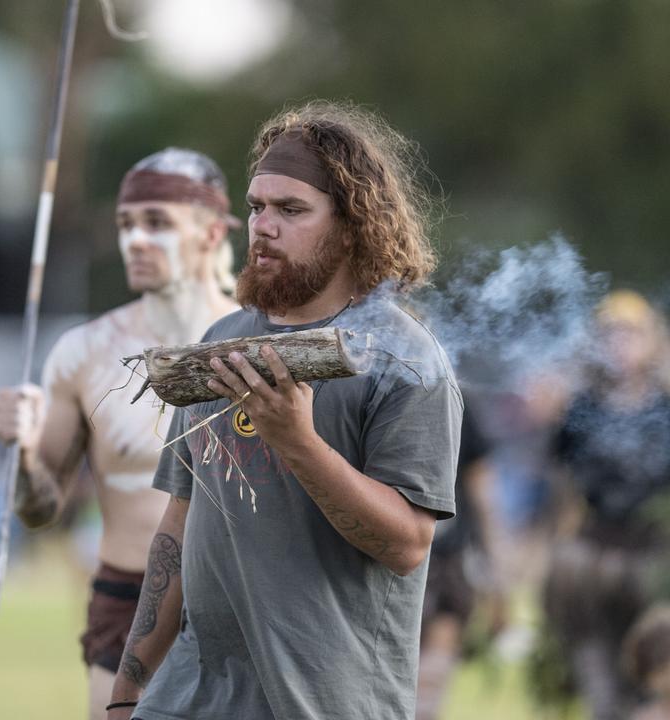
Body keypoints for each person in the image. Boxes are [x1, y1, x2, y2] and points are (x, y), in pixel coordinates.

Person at [107, 101, 462, 720]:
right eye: (256, 207)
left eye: (291, 210)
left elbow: (407, 545)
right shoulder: (222, 340)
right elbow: (178, 527)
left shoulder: (407, 361)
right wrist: (126, 695)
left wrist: (297, 441)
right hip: (188, 700)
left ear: (352, 226)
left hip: (325, 702)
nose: (263, 225)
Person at [0, 148, 240, 718]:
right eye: (126, 224)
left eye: (158, 222)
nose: (135, 241)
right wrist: (25, 454)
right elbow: (38, 511)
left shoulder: (257, 341)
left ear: (209, 233)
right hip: (129, 596)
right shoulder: (83, 353)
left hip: (238, 594)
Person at [542, 289, 670, 720]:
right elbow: (561, 481)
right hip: (591, 553)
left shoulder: (666, 407)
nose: (621, 345)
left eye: (631, 335)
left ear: (651, 341)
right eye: (611, 335)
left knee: (653, 659)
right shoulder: (582, 407)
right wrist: (558, 543)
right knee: (595, 662)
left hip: (652, 552)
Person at [416, 399, 507, 719]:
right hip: (384, 563)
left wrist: (498, 583)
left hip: (446, 565)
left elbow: (485, 499)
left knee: (430, 680)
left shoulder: (455, 400)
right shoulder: (369, 389)